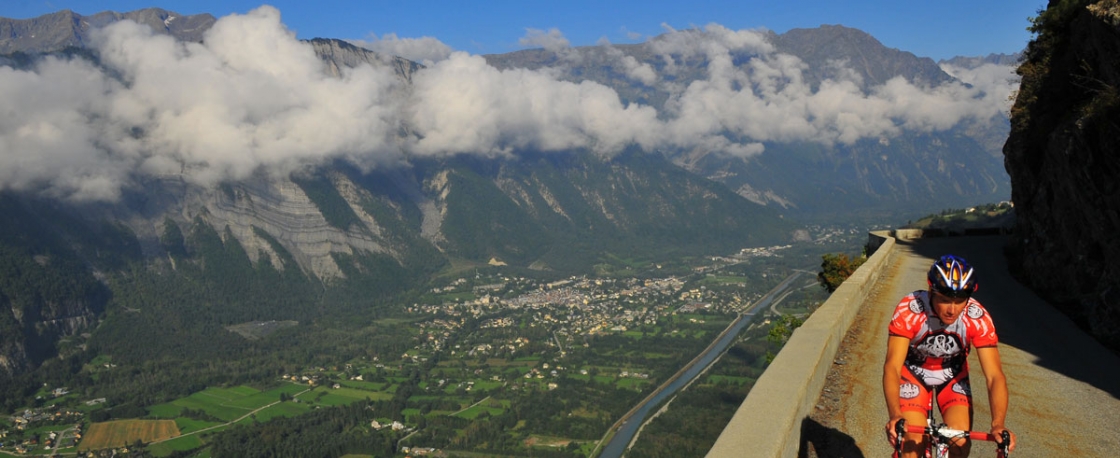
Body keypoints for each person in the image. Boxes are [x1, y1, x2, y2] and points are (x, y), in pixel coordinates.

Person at [883, 254, 1017, 457]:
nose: (952, 310)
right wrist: (895, 415)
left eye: (960, 301)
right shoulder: (910, 310)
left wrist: (998, 424)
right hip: (913, 375)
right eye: (945, 300)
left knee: (960, 442)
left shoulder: (977, 317)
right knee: (913, 444)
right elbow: (892, 366)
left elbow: (994, 376)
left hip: (952, 376)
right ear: (931, 291)